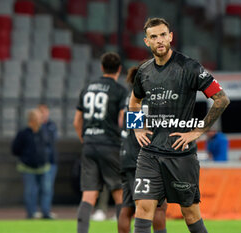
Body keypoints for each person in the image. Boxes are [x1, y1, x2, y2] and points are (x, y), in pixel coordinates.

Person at [129, 18, 230, 233]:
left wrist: (198, 131)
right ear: (147, 41)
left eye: (163, 35)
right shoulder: (143, 72)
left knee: (190, 212)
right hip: (150, 153)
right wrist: (137, 127)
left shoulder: (190, 67)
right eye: (154, 37)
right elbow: (134, 102)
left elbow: (221, 99)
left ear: (171, 36)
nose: (159, 40)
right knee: (143, 207)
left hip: (180, 154)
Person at [73, 52, 127, 233]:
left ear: (102, 67)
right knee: (120, 194)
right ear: (119, 69)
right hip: (110, 144)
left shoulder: (87, 88)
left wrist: (85, 139)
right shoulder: (120, 90)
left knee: (88, 195)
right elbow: (122, 119)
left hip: (89, 143)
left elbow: (76, 122)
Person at [118, 66, 167, 233]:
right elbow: (144, 130)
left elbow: (125, 124)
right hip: (144, 159)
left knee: (128, 208)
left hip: (127, 156)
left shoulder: (129, 97)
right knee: (157, 208)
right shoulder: (150, 96)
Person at [11, 109, 52, 219]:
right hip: (27, 167)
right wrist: (26, 157)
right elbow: (15, 149)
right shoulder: (23, 133)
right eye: (38, 118)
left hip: (43, 166)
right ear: (32, 119)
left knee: (46, 190)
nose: (40, 120)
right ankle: (31, 213)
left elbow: (48, 146)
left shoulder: (43, 132)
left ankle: (46, 213)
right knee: (30, 191)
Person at [38, 103, 58, 218]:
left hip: (50, 161)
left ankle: (45, 211)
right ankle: (35, 211)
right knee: (35, 188)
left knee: (47, 187)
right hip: (37, 162)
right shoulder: (34, 126)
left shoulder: (51, 125)